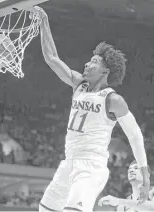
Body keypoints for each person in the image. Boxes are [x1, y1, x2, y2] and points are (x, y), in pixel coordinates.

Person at [32, 7, 150, 212]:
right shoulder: (79, 84)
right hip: (68, 163)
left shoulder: (113, 99)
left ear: (106, 71)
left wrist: (145, 173)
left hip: (91, 166)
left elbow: (135, 135)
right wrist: (44, 21)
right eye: (89, 60)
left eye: (94, 62)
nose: (87, 64)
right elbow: (51, 58)